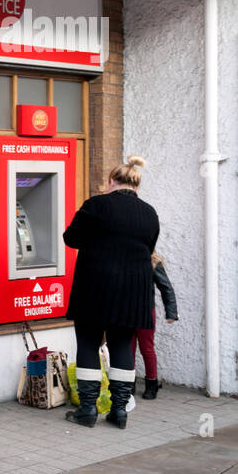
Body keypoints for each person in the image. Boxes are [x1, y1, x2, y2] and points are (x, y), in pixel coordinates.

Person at [62, 155, 159, 429]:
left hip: (95, 287)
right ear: (136, 186)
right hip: (133, 292)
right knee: (121, 346)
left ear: (110, 181)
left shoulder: (97, 205)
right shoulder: (149, 213)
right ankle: (119, 411)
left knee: (89, 344)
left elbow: (71, 239)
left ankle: (89, 410)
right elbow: (149, 248)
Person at [135, 252, 178, 399]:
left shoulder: (153, 262)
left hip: (146, 311)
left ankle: (152, 384)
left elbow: (166, 288)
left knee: (146, 348)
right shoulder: (124, 257)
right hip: (125, 311)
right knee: (127, 348)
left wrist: (171, 313)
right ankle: (127, 384)